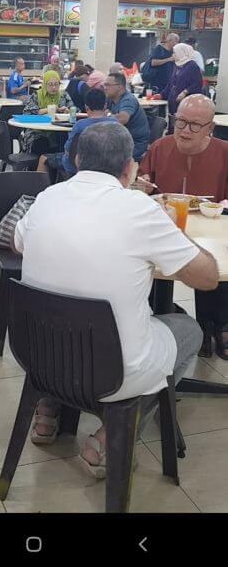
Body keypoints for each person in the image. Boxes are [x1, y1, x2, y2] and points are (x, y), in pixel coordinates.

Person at [14, 123, 216, 475]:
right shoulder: (139, 209)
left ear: (76, 159)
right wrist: (170, 232)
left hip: (40, 356)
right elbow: (207, 277)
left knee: (70, 302)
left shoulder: (48, 196)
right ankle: (109, 440)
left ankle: (49, 407)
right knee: (188, 328)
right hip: (110, 371)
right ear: (129, 168)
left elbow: (19, 243)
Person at [139, 93, 228, 359]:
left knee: (218, 265)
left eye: (194, 125)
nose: (184, 130)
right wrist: (142, 184)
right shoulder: (160, 146)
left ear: (210, 128)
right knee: (145, 263)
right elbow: (144, 183)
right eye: (180, 122)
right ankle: (162, 317)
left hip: (211, 227)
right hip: (165, 227)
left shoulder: (224, 152)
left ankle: (216, 324)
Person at [36, 87, 119, 178]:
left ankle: (40, 191)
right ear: (105, 105)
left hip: (77, 168)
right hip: (108, 168)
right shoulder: (115, 124)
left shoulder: (80, 125)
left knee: (44, 158)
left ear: (86, 107)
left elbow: (69, 150)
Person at [21, 70, 71, 156]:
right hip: (36, 132)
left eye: (56, 84)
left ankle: (56, 168)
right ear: (44, 84)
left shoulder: (63, 95)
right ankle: (38, 168)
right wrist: (48, 109)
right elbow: (27, 112)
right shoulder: (37, 95)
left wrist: (67, 111)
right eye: (50, 84)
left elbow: (74, 110)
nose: (54, 87)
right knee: (41, 144)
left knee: (64, 142)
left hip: (57, 131)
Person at [104, 72, 150, 162]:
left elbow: (123, 119)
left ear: (120, 87)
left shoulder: (128, 99)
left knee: (105, 157)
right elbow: (103, 112)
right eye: (104, 85)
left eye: (108, 85)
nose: (105, 88)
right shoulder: (111, 98)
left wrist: (108, 114)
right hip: (121, 141)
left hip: (135, 144)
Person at [161, 43, 203, 119]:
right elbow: (171, 83)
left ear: (182, 52)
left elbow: (197, 83)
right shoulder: (177, 65)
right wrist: (161, 95)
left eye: (175, 53)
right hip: (174, 102)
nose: (173, 55)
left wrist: (184, 92)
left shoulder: (192, 66)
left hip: (186, 103)